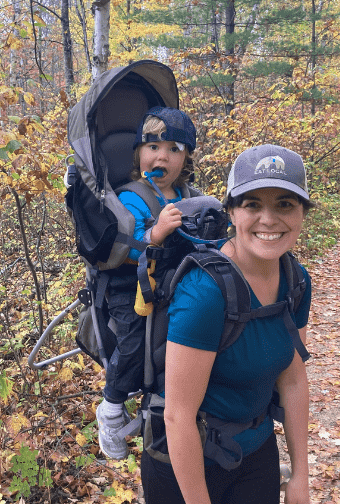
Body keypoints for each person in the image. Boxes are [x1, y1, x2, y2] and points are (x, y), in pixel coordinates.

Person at [141, 144, 312, 504]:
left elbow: (293, 379)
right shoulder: (206, 292)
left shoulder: (295, 281)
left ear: (301, 213)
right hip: (186, 460)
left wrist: (300, 475)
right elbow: (178, 415)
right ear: (232, 212)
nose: (269, 219)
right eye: (252, 204)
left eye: (285, 204)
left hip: (255, 448)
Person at [96, 106, 198, 460]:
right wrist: (156, 233)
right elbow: (124, 251)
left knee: (189, 334)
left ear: (185, 159)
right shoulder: (131, 196)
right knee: (136, 341)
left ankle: (174, 399)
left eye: (174, 149)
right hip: (130, 285)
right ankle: (110, 408)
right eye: (153, 147)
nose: (162, 156)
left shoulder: (187, 193)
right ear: (139, 153)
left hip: (175, 280)